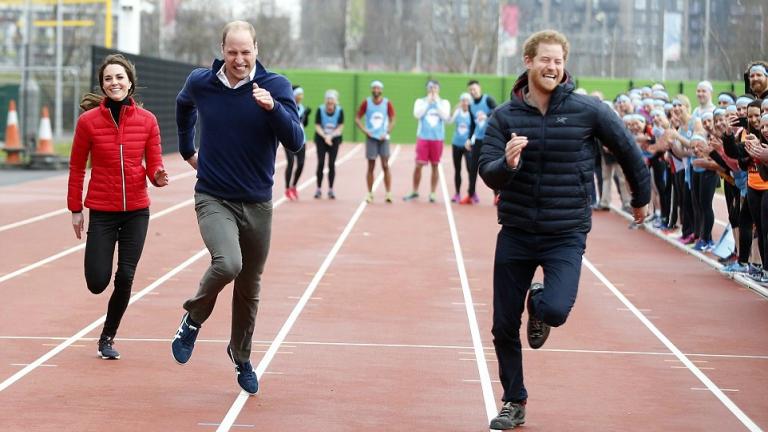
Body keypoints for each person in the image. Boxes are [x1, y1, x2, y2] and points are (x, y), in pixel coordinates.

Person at [478, 30, 650, 430]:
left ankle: (539, 302)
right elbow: (487, 171)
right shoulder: (505, 117)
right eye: (545, 60)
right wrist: (506, 164)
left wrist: (640, 197)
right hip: (517, 231)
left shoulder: (587, 110)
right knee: (503, 324)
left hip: (565, 232)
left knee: (555, 309)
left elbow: (626, 147)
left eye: (558, 61)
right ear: (528, 61)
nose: (552, 67)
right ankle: (514, 400)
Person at [172, 21, 304, 395]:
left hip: (258, 204)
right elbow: (184, 106)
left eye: (246, 52)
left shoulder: (275, 86)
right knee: (228, 263)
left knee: (250, 285)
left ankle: (241, 355)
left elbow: (295, 141)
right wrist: (187, 149)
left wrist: (273, 108)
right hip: (214, 196)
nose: (239, 59)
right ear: (222, 49)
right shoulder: (203, 82)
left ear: (256, 50)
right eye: (232, 52)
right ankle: (193, 319)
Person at [67, 54, 168, 360]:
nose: (114, 83)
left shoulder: (147, 120)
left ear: (130, 82)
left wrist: (159, 176)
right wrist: (75, 208)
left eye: (120, 77)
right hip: (102, 210)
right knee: (98, 282)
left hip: (137, 210)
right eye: (108, 78)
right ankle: (103, 304)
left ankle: (107, 336)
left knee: (125, 276)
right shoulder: (88, 123)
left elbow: (154, 163)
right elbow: (75, 168)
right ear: (102, 85)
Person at [403, 80, 450, 203]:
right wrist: (428, 102)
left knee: (435, 165)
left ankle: (433, 192)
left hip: (437, 138)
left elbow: (445, 116)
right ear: (427, 89)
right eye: (430, 88)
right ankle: (414, 190)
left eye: (435, 88)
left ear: (438, 89)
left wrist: (436, 103)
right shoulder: (420, 101)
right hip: (423, 137)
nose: (433, 90)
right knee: (418, 165)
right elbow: (417, 115)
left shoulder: (444, 103)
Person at [355, 80, 396, 203]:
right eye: (374, 88)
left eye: (378, 88)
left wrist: (387, 132)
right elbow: (357, 118)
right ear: (371, 90)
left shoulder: (387, 103)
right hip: (371, 138)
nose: (376, 90)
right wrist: (365, 131)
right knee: (371, 166)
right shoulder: (366, 103)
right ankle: (369, 193)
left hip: (383, 138)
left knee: (385, 165)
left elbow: (393, 119)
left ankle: (388, 193)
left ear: (381, 90)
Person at [465, 79, 498, 204]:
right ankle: (470, 195)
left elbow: (497, 110)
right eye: (471, 90)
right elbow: (473, 124)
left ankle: (497, 196)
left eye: (475, 89)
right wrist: (469, 138)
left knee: (492, 168)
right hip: (478, 140)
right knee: (473, 168)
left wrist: (487, 114)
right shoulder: (471, 105)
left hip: (490, 139)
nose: (473, 91)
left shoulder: (488, 99)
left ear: (479, 88)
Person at [314, 89, 344, 199]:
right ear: (325, 101)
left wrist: (331, 136)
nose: (330, 104)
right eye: (328, 102)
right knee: (321, 163)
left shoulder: (340, 111)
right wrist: (325, 136)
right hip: (321, 138)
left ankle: (331, 189)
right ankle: (318, 189)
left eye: (332, 102)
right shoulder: (320, 109)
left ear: (335, 102)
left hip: (334, 139)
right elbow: (317, 126)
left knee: (331, 164)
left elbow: (340, 126)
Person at [284, 86, 310, 200]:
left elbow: (304, 124)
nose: (301, 96)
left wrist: (306, 116)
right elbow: (292, 120)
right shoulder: (289, 106)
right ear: (294, 95)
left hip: (302, 139)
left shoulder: (302, 107)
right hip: (289, 138)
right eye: (299, 94)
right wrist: (302, 115)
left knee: (301, 163)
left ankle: (294, 186)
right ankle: (287, 188)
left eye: (302, 94)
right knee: (291, 162)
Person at [448, 92, 475, 202]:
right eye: (463, 100)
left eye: (467, 101)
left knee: (470, 169)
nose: (465, 103)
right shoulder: (458, 112)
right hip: (456, 144)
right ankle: (457, 193)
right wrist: (455, 107)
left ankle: (472, 193)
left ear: (470, 102)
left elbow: (475, 128)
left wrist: (471, 141)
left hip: (468, 146)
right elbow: (449, 121)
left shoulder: (472, 114)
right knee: (457, 169)